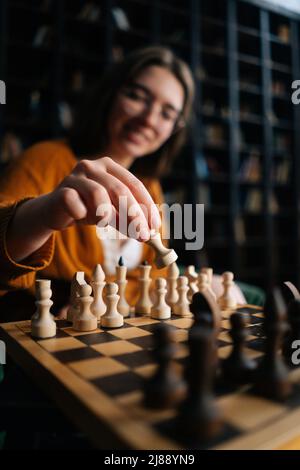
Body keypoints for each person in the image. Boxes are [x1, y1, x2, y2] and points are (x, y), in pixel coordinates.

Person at [0, 46, 246, 316]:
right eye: (137, 97)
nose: (148, 119)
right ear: (110, 95)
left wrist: (177, 286)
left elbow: (152, 279)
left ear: (175, 129)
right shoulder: (44, 159)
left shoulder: (150, 185)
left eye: (166, 113)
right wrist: (43, 214)